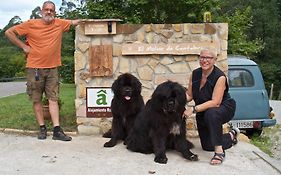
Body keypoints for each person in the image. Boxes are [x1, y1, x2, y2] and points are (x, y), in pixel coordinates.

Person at [5, 1, 81, 141]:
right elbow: (9, 32)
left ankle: (57, 130)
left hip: (53, 68)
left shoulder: (59, 23)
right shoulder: (30, 24)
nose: (48, 12)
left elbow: (75, 22)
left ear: (55, 12)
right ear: (41, 11)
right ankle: (42, 128)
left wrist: (88, 21)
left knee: (53, 98)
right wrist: (23, 46)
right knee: (36, 99)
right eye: (46, 10)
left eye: (51, 10)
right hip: (35, 68)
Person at [183, 49, 239, 165]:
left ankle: (219, 151)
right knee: (207, 146)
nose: (204, 60)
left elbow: (215, 102)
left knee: (211, 113)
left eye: (208, 58)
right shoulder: (195, 74)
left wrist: (193, 109)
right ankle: (231, 135)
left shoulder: (220, 77)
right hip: (204, 110)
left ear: (214, 60)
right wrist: (175, 100)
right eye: (202, 57)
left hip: (224, 107)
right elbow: (189, 94)